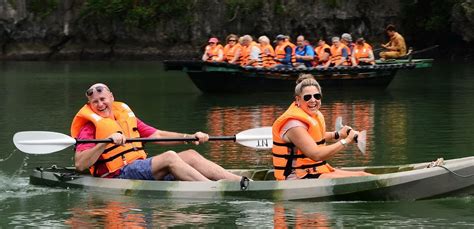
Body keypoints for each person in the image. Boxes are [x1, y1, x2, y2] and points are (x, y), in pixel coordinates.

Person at [71, 83, 242, 181]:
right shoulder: (90, 127)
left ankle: (239, 182)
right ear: (90, 104)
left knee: (190, 155)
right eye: (95, 102)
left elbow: (157, 135)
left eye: (103, 99)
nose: (100, 105)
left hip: (139, 168)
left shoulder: (123, 114)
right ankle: (215, 190)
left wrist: (189, 137)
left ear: (111, 97)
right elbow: (80, 164)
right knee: (169, 157)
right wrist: (106, 142)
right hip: (118, 175)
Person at [271, 74, 372, 180]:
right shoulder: (294, 124)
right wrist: (346, 140)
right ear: (298, 100)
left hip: (313, 170)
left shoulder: (310, 115)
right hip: (296, 177)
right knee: (362, 177)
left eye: (317, 96)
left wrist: (338, 134)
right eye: (307, 97)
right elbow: (316, 155)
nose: (313, 100)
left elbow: (312, 138)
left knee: (362, 174)